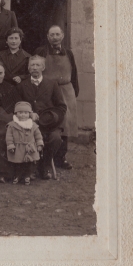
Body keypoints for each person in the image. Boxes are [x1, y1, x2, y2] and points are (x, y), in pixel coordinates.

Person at [34, 25, 79, 170]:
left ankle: (61, 158)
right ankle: (44, 156)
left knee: (65, 124)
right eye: (51, 35)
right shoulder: (41, 51)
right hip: (48, 90)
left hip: (66, 90)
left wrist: (74, 92)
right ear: (48, 37)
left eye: (57, 34)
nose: (54, 37)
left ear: (62, 36)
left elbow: (74, 73)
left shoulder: (69, 53)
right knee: (48, 120)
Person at [16, 55, 67, 179]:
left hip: (49, 124)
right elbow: (16, 106)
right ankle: (33, 165)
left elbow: (61, 107)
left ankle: (45, 165)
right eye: (32, 65)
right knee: (28, 137)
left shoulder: (52, 84)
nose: (34, 68)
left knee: (55, 138)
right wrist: (28, 114)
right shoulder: (22, 85)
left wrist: (50, 117)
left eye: (37, 65)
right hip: (29, 123)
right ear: (28, 68)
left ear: (43, 67)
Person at [6, 101, 44, 186]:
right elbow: (9, 137)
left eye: (26, 113)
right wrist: (10, 145)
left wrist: (39, 144)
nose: (23, 115)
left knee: (29, 163)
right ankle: (18, 175)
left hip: (30, 148)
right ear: (16, 114)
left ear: (29, 114)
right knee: (18, 163)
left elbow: (38, 135)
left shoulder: (33, 125)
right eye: (20, 113)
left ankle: (27, 175)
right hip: (18, 147)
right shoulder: (12, 125)